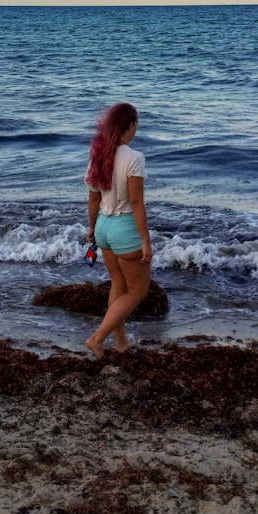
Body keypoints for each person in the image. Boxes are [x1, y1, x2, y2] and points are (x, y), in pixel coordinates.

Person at [83, 102, 152, 359]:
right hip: (125, 229)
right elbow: (136, 203)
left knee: (118, 284)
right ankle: (97, 339)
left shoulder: (98, 157)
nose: (136, 130)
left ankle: (120, 341)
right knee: (137, 291)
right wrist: (146, 240)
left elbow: (93, 200)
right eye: (136, 126)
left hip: (103, 227)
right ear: (129, 126)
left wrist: (91, 228)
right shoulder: (135, 158)